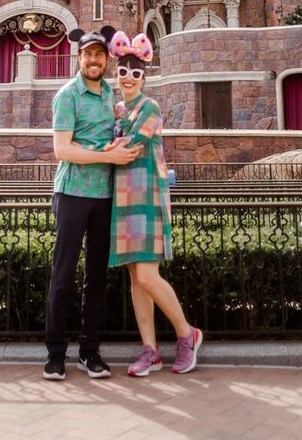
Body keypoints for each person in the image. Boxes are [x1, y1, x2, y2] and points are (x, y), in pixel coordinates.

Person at [43, 26, 142, 382]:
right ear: (79, 58)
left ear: (106, 58)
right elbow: (62, 150)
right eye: (88, 55)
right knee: (63, 274)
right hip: (72, 194)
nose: (94, 60)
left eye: (100, 55)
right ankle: (55, 354)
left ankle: (90, 352)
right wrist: (109, 158)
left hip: (104, 196)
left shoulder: (108, 96)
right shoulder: (68, 95)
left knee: (96, 278)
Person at [105, 31, 203, 377]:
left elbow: (128, 147)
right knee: (136, 279)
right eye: (123, 71)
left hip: (146, 196)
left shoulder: (149, 107)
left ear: (144, 77)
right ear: (115, 75)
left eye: (136, 73)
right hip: (122, 198)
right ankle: (150, 351)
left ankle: (186, 333)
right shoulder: (117, 108)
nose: (129, 77)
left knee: (147, 275)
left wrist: (104, 150)